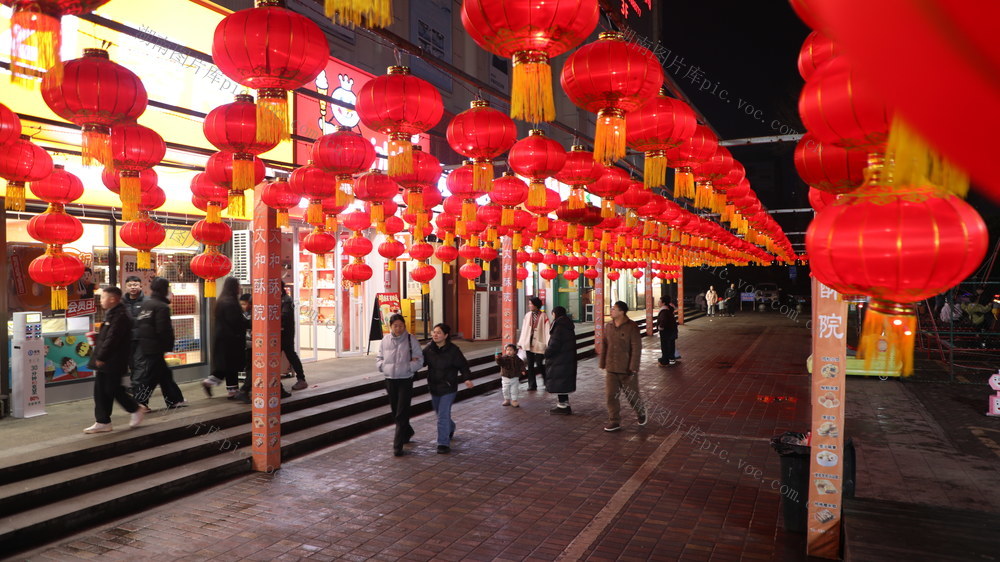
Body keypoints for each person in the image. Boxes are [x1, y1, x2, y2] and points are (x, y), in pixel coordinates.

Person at [84, 287, 143, 433]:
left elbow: (113, 338)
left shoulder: (120, 315)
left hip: (114, 360)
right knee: (100, 390)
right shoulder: (112, 314)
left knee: (113, 389)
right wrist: (97, 338)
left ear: (112, 299)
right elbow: (109, 336)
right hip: (108, 359)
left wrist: (102, 356)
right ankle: (102, 421)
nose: (101, 300)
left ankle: (135, 408)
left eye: (103, 297)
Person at [132, 277, 186, 410]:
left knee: (164, 374)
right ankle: (139, 402)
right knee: (151, 377)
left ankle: (174, 400)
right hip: (156, 346)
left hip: (146, 344)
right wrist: (168, 345)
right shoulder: (162, 307)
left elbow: (140, 324)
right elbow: (163, 329)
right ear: (164, 289)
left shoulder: (147, 304)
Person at [422, 323, 474, 454]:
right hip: (434, 386)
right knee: (440, 414)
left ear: (445, 335)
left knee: (442, 416)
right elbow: (420, 363)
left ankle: (443, 443)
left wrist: (466, 378)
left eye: (438, 332)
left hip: (449, 387)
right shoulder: (428, 349)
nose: (435, 335)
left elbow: (463, 365)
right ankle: (451, 427)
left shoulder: (453, 350)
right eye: (434, 332)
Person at [377, 314, 423, 456]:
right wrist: (382, 367)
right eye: (395, 325)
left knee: (401, 411)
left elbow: (419, 359)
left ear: (405, 326)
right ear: (390, 326)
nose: (398, 328)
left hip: (405, 379)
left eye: (401, 325)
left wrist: (409, 367)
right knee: (395, 410)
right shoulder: (385, 340)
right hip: (390, 379)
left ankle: (398, 445)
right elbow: (379, 357)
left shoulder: (411, 339)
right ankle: (408, 431)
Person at [599, 301, 646, 432]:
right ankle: (614, 421)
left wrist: (633, 367)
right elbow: (604, 345)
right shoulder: (608, 326)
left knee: (632, 396)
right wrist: (602, 362)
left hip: (627, 369)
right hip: (611, 368)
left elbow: (636, 348)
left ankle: (641, 413)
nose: (611, 311)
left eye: (614, 309)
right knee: (610, 395)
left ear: (622, 312)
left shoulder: (631, 327)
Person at [203, 277, 248, 399]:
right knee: (230, 365)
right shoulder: (230, 302)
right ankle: (212, 383)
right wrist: (247, 323)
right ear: (233, 287)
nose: (239, 288)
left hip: (223, 338)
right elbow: (235, 321)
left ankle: (231, 390)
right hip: (230, 339)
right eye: (238, 285)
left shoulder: (222, 300)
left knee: (228, 365)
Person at [544, 306, 577, 415]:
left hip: (560, 358)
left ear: (555, 314)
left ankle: (563, 406)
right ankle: (564, 404)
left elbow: (555, 343)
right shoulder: (566, 324)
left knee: (560, 381)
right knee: (563, 381)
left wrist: (547, 352)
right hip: (566, 357)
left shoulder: (559, 326)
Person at [517, 296, 549, 391]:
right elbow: (524, 330)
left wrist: (548, 342)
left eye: (531, 304)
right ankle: (532, 385)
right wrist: (521, 342)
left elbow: (547, 330)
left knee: (539, 363)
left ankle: (546, 382)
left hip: (539, 343)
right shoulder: (527, 315)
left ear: (536, 305)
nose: (529, 305)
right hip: (528, 343)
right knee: (530, 365)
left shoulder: (544, 316)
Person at [283, 285, 309, 391]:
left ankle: (301, 379)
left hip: (285, 334)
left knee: (291, 354)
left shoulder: (286, 300)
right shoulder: (282, 299)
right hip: (281, 333)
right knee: (290, 355)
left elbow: (284, 316)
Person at [122, 275, 145, 377]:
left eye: (135, 285)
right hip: (127, 339)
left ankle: (139, 389)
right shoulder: (121, 302)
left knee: (139, 364)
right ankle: (137, 387)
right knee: (131, 363)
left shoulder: (147, 301)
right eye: (130, 285)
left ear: (141, 286)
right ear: (126, 287)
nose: (133, 287)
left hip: (142, 338)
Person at [496, 343, 525, 407]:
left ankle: (514, 400)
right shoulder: (504, 358)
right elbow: (500, 363)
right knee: (505, 389)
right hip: (505, 377)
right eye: (507, 350)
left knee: (514, 389)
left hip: (515, 377)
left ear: (515, 351)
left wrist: (523, 370)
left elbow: (521, 364)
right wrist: (498, 358)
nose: (509, 352)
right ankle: (507, 399)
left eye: (511, 350)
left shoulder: (517, 358)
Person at [657, 296, 679, 366]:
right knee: (670, 344)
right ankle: (671, 359)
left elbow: (663, 320)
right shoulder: (669, 309)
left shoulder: (664, 311)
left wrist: (660, 327)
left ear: (663, 303)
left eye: (659, 301)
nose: (658, 302)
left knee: (665, 345)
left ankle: (665, 360)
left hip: (666, 331)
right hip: (671, 330)